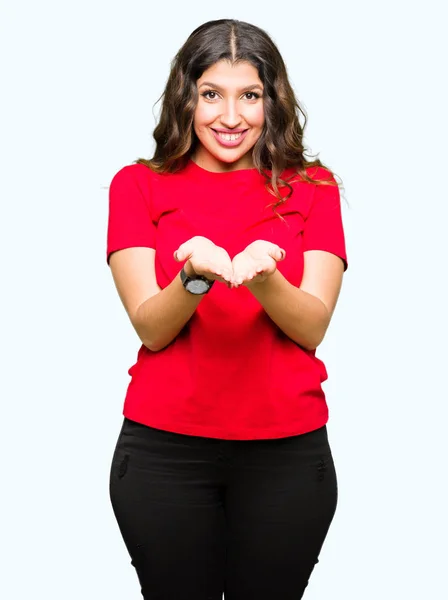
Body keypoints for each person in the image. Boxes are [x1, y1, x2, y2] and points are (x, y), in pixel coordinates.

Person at [106, 18, 348, 600]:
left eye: (250, 96)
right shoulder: (137, 186)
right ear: (186, 97)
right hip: (165, 453)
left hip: (287, 456)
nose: (231, 116)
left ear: (274, 101)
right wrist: (193, 278)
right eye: (212, 94)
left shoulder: (315, 187)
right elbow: (151, 328)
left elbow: (313, 322)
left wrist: (264, 278)